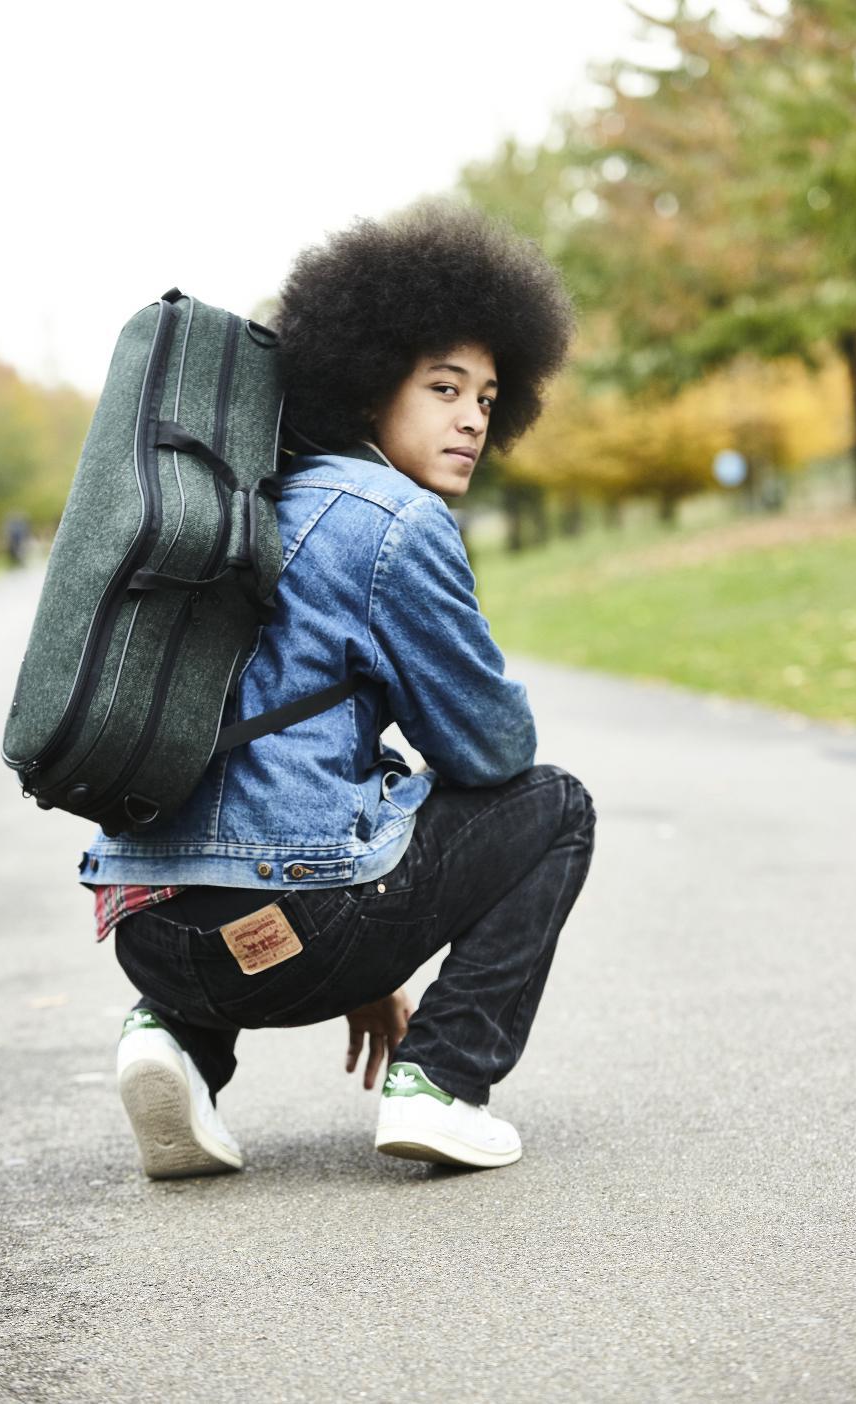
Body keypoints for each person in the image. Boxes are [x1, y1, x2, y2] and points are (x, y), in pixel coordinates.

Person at [82, 199, 597, 1179]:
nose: (472, 418)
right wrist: (361, 929)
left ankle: (173, 1043)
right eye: (444, 387)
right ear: (368, 389)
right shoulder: (391, 520)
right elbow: (491, 754)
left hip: (152, 934)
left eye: (489, 398)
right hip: (300, 934)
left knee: (255, 865)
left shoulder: (232, 498)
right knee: (555, 806)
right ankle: (443, 1083)